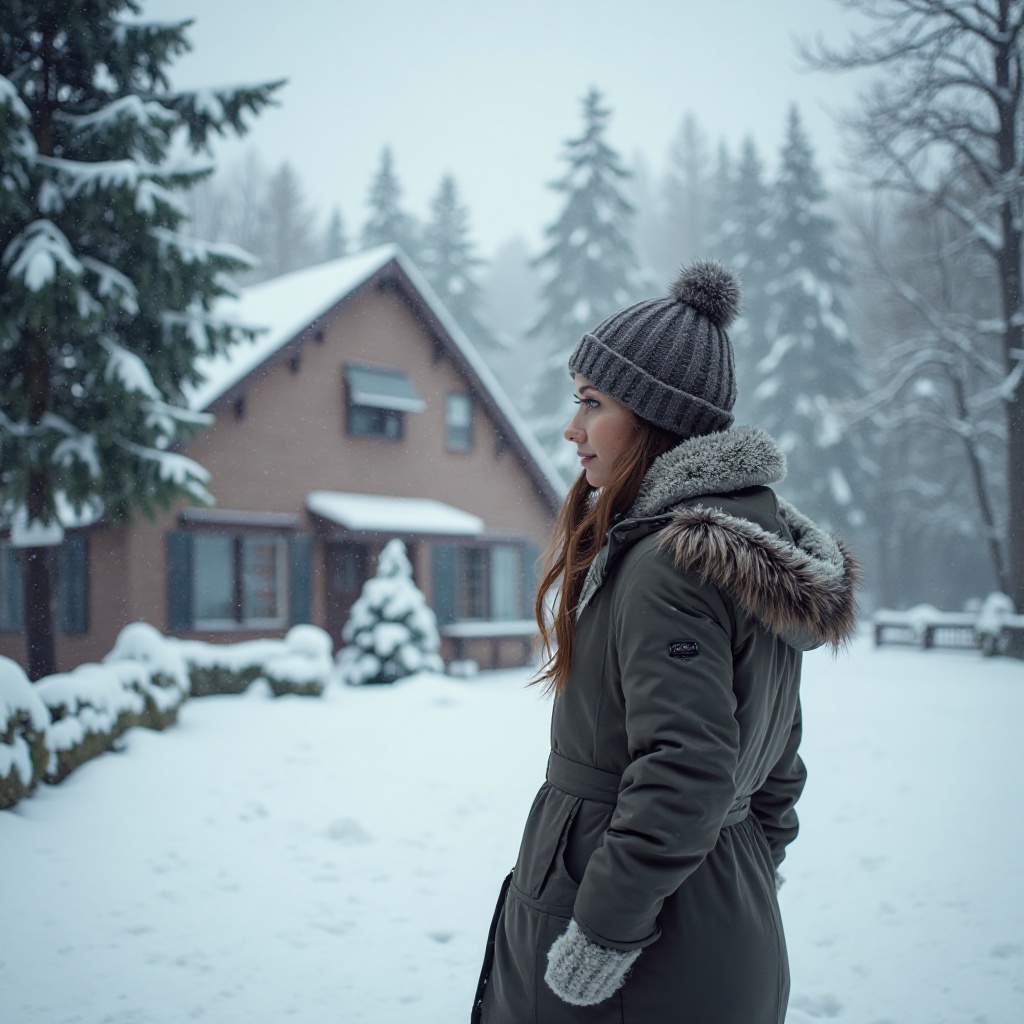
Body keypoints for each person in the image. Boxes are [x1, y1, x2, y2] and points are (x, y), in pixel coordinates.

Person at [471, 260, 861, 1024]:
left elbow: (687, 770)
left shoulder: (664, 564)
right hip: (709, 931)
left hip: (638, 963)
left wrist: (604, 935)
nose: (571, 428)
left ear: (655, 417)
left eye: (592, 403)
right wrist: (733, 877)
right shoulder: (745, 552)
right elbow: (776, 771)